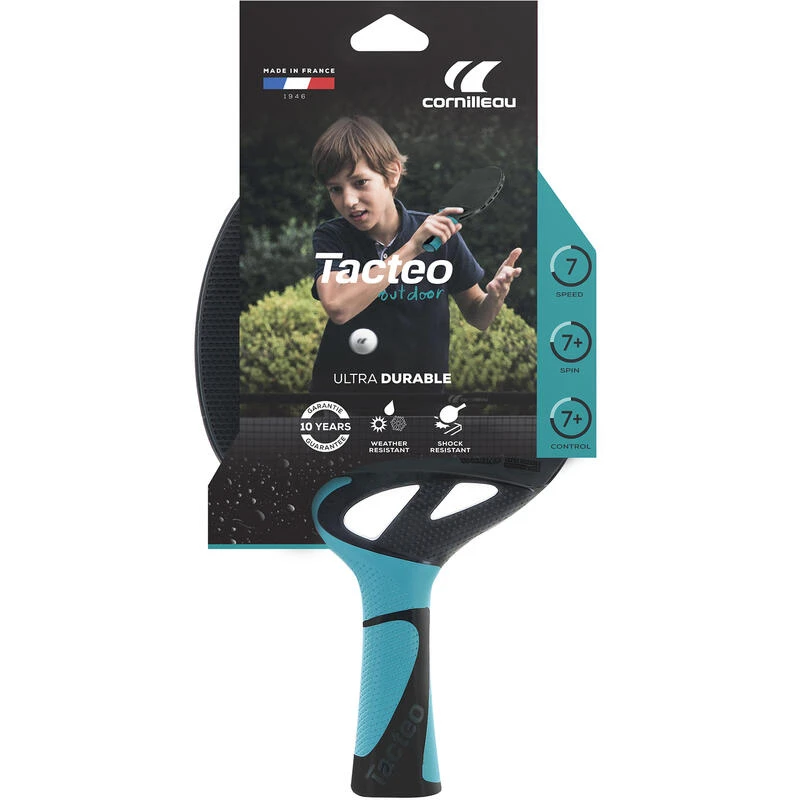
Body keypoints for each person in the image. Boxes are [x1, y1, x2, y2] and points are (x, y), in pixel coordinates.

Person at [309, 116, 521, 393]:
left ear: (392, 174)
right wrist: (412, 248)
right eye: (335, 189)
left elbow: (478, 317)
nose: (348, 200)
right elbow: (338, 306)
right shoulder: (331, 237)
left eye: (360, 182)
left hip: (422, 399)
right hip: (342, 398)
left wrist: (494, 297)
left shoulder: (441, 237)